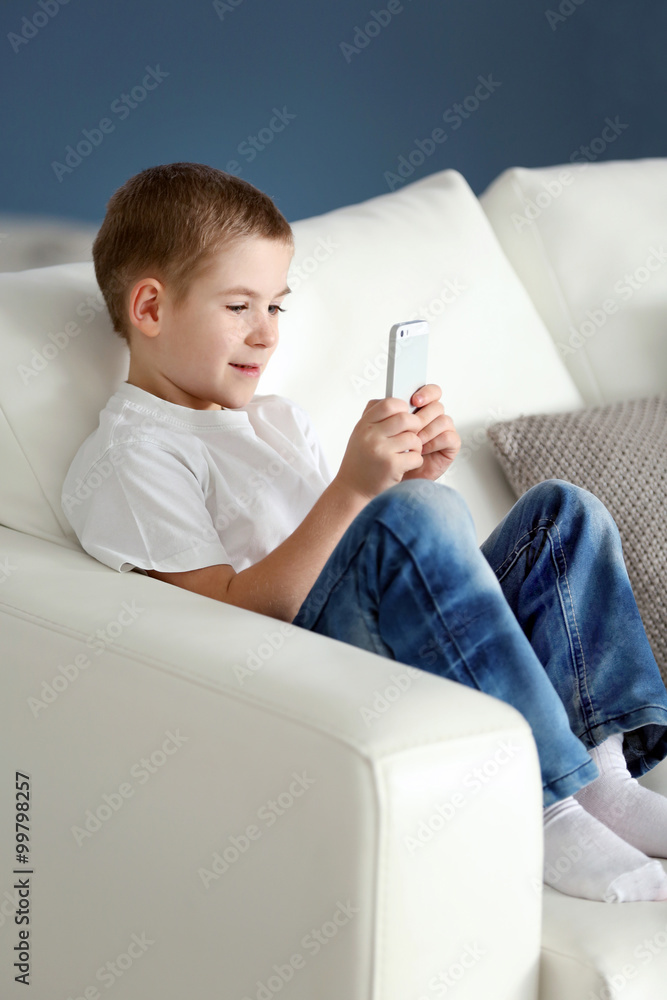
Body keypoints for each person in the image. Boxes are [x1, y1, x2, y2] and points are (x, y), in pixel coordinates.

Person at [62, 162, 667, 904]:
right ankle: (548, 811)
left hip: (376, 638)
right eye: (239, 306)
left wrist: (401, 484)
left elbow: (355, 550)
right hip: (305, 675)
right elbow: (219, 618)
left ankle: (603, 779)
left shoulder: (276, 420)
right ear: (151, 307)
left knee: (560, 514)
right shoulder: (135, 451)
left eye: (276, 306)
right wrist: (359, 491)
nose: (266, 333)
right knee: (417, 517)